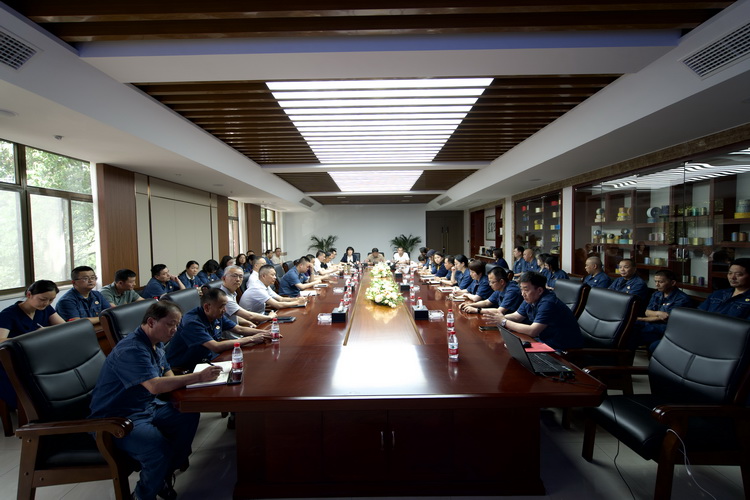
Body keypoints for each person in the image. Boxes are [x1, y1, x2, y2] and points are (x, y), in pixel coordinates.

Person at [89, 301, 223, 500]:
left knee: (187, 414)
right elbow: (154, 386)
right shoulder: (132, 349)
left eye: (177, 325)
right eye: (170, 324)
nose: (175, 330)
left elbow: (167, 376)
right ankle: (142, 495)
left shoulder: (156, 343)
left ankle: (161, 476)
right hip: (118, 418)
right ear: (151, 322)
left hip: (147, 406)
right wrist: (198, 377)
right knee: (157, 450)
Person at [166, 287, 272, 372]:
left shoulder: (216, 315)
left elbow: (239, 329)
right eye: (222, 306)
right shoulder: (191, 322)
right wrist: (252, 339)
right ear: (207, 307)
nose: (224, 310)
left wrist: (266, 332)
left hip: (206, 359)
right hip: (185, 367)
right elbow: (215, 346)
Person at [483, 271, 583, 350]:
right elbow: (517, 316)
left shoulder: (548, 302)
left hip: (560, 348)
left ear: (539, 290)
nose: (522, 293)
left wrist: (504, 321)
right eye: (521, 289)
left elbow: (533, 331)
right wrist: (497, 318)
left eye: (526, 290)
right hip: (543, 341)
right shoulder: (531, 298)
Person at [633, 269, 693, 347]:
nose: (657, 285)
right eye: (656, 281)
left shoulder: (682, 299)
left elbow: (664, 317)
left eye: (661, 282)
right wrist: (658, 313)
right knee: (628, 326)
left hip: (666, 327)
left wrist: (641, 319)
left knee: (634, 332)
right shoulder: (656, 294)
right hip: (651, 323)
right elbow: (647, 312)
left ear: (672, 283)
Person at [240, 264, 307, 314]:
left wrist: (296, 299)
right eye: (272, 275)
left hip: (261, 314)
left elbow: (281, 299)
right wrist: (297, 302)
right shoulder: (257, 288)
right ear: (264, 276)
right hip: (252, 320)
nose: (275, 277)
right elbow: (277, 305)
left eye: (275, 275)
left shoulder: (265, 285)